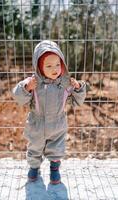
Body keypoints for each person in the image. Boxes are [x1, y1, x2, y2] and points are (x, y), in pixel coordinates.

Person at [12, 40, 86, 184]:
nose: (55, 69)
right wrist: (27, 88)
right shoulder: (33, 82)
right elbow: (18, 96)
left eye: (58, 64)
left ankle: (54, 169)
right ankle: (34, 167)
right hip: (37, 123)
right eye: (49, 65)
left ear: (62, 64)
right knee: (34, 147)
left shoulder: (65, 83)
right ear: (39, 67)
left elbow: (78, 101)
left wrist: (78, 88)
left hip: (58, 123)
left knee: (57, 147)